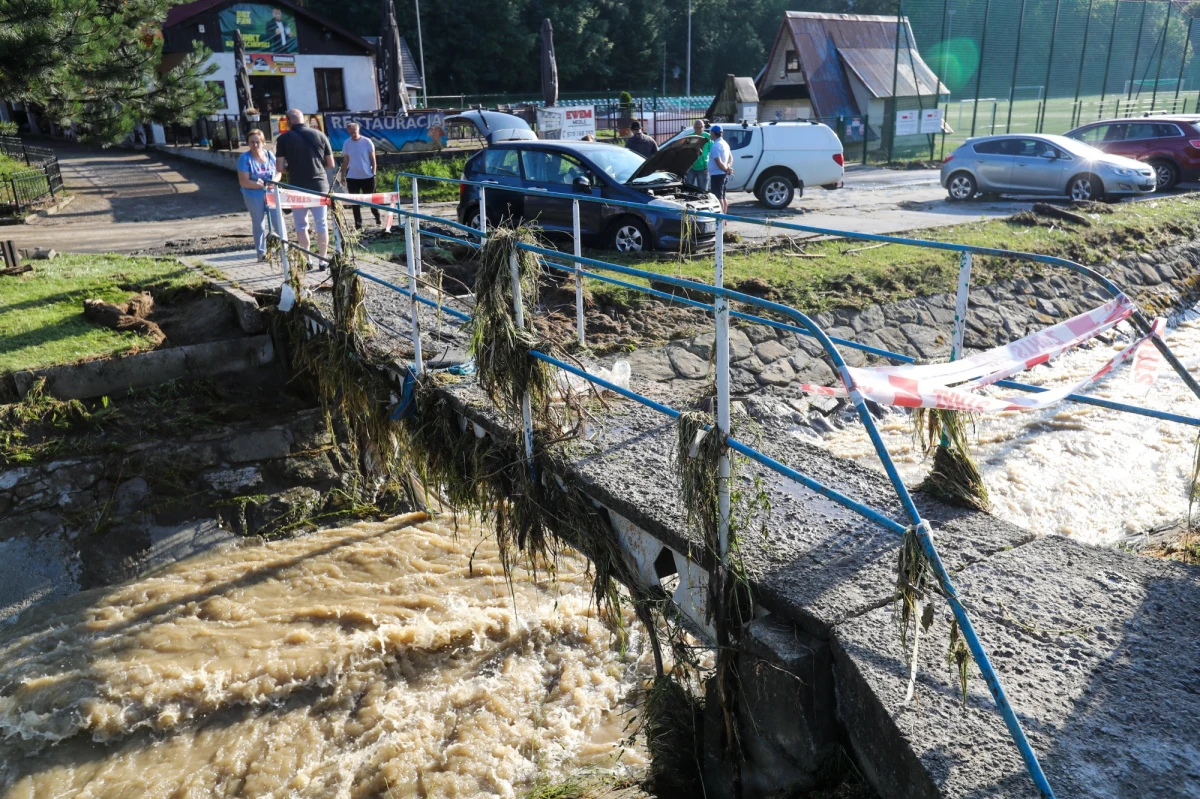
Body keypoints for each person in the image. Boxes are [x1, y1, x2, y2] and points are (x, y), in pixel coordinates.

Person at [274, 108, 335, 267]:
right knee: (321, 223)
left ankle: (307, 259)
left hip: (297, 187)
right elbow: (330, 164)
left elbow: (280, 167)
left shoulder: (283, 139)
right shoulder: (321, 135)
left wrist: (293, 167)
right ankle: (323, 260)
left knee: (301, 225)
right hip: (320, 186)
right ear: (304, 120)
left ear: (288, 121)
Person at [236, 129, 280, 262]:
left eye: (257, 142)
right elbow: (244, 181)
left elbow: (278, 173)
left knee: (278, 220)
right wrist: (261, 185)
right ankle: (261, 253)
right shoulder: (245, 158)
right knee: (259, 224)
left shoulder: (269, 155)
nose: (255, 145)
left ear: (263, 142)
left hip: (271, 193)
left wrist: (273, 182)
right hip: (253, 195)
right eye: (252, 142)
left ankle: (284, 248)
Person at [339, 122, 381, 230]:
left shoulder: (367, 142)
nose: (353, 134)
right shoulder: (347, 143)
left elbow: (373, 159)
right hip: (352, 177)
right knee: (355, 203)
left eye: (355, 132)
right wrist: (342, 175)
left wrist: (374, 172)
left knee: (371, 200)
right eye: (351, 133)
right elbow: (345, 161)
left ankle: (377, 217)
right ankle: (358, 224)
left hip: (367, 176)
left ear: (358, 130)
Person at [708, 124, 734, 213]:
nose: (710, 134)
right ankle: (724, 217)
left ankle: (720, 219)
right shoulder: (725, 144)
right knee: (723, 196)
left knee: (718, 198)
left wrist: (726, 169)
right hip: (722, 174)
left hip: (717, 174)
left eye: (711, 132)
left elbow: (719, 162)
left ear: (713, 133)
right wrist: (728, 167)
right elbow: (731, 158)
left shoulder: (716, 145)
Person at [684, 119, 711, 192]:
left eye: (701, 127)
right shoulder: (689, 137)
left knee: (702, 191)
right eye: (698, 127)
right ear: (694, 127)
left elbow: (712, 151)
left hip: (703, 168)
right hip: (691, 167)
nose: (700, 129)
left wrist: (708, 166)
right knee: (688, 190)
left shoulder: (708, 137)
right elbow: (685, 152)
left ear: (704, 127)